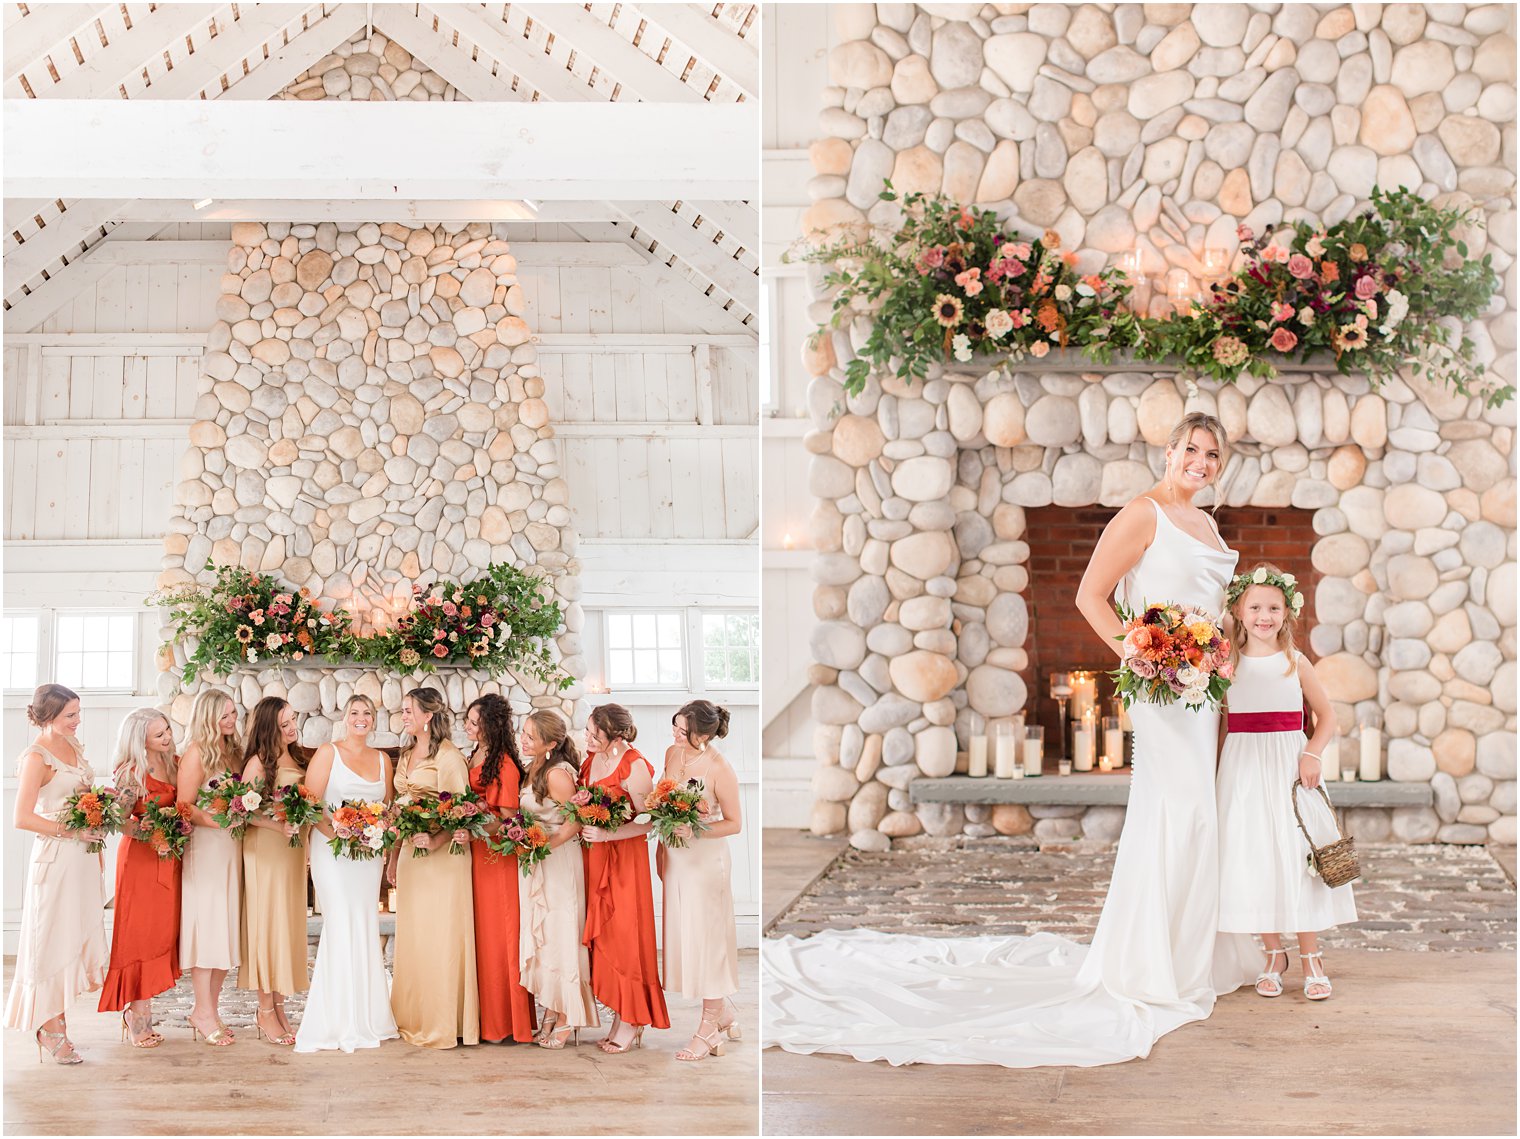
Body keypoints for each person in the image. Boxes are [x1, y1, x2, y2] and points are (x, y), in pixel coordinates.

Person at [762, 412, 1263, 1067]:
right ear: (1169, 451)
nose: (1199, 460)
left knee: (1199, 815)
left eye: (1211, 453)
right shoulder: (1144, 514)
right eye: (1190, 448)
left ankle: (1188, 951)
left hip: (1198, 690)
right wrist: (1134, 651)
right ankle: (1150, 963)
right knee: (1179, 811)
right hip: (1161, 689)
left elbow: (1212, 604)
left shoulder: (1207, 523)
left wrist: (1221, 649)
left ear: (1218, 464)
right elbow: (1091, 594)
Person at [1218, 565, 1357, 1000]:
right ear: (1239, 612)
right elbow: (1220, 725)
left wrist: (1312, 753)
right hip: (1242, 769)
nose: (1265, 615)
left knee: (1299, 858)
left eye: (1273, 607)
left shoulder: (1295, 662)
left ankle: (1311, 957)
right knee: (1253, 857)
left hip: (1288, 767)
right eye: (1255, 607)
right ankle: (1273, 953)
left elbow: (1327, 716)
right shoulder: (1226, 662)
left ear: (1287, 612)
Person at [3, 685, 108, 1064]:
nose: (78, 721)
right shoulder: (36, 757)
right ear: (47, 717)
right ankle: (50, 1027)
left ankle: (59, 1021)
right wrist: (73, 832)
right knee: (51, 941)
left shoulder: (74, 746)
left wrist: (96, 826)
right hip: (54, 860)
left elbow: (81, 798)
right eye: (70, 716)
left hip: (81, 858)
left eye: (79, 713)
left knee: (74, 936)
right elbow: (22, 818)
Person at [295, 695, 399, 1053]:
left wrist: (375, 833)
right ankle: (335, 1019)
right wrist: (340, 833)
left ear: (374, 720)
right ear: (344, 718)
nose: (361, 718)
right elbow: (310, 805)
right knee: (340, 924)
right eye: (354, 712)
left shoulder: (384, 760)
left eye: (367, 713)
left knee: (364, 924)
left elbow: (387, 809)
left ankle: (369, 1015)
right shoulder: (328, 753)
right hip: (333, 853)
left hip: (368, 856)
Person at [389, 687, 480, 1048]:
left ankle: (443, 1021)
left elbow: (461, 814)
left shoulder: (449, 758)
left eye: (409, 710)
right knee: (414, 936)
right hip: (412, 857)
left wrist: (436, 839)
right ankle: (413, 1015)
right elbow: (399, 806)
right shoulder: (407, 753)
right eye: (403, 710)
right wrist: (394, 855)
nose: (404, 715)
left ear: (428, 716)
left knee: (440, 937)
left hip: (443, 861)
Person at [581, 703, 670, 1053]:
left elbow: (648, 821)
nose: (587, 736)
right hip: (596, 857)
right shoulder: (591, 760)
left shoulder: (633, 765)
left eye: (592, 732)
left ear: (612, 735)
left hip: (624, 860)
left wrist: (607, 836)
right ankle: (621, 1014)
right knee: (606, 939)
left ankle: (631, 1019)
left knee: (625, 937)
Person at [660, 700, 742, 1061]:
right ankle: (722, 1012)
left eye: (683, 731)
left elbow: (735, 823)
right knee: (687, 939)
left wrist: (696, 826)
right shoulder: (671, 753)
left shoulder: (719, 767)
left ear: (704, 735)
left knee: (708, 942)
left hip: (706, 863)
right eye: (675, 727)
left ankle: (709, 1029)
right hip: (677, 859)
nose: (675, 735)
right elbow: (663, 800)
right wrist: (662, 850)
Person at [98, 709, 182, 1048]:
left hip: (168, 859)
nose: (167, 737)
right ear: (139, 739)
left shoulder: (172, 761)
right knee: (140, 935)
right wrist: (152, 834)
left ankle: (143, 1007)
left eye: (167, 730)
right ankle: (137, 1013)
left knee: (161, 933)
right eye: (159, 734)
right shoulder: (131, 772)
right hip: (140, 862)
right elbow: (119, 821)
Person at [515, 710, 598, 1048]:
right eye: (523, 732)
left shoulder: (558, 775)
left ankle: (567, 1017)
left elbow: (576, 821)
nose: (523, 739)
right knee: (546, 934)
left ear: (550, 744)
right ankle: (550, 1009)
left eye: (530, 736)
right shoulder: (532, 768)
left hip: (559, 859)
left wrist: (546, 845)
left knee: (563, 934)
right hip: (538, 860)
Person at [464, 694, 536, 1043]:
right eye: (467, 721)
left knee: (500, 937)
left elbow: (509, 820)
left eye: (474, 722)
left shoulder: (504, 762)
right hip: (475, 855)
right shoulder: (474, 755)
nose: (467, 727)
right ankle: (483, 1017)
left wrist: (477, 819)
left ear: (490, 725)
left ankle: (506, 1021)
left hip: (497, 857)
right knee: (480, 936)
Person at [238, 696, 309, 1045]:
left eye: (294, 719)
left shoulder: (294, 755)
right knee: (267, 925)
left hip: (291, 852)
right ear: (270, 728)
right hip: (266, 851)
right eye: (285, 723)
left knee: (285, 925)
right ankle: (265, 1010)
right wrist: (277, 826)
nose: (292, 726)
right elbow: (244, 812)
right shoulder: (257, 763)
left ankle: (278, 1004)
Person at [177, 687, 243, 1046]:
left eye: (233, 714)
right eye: (224, 715)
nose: (231, 721)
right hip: (206, 850)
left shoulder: (232, 753)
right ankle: (201, 1009)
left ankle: (210, 1010)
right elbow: (183, 806)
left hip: (232, 849)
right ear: (207, 717)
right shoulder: (197, 754)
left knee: (224, 932)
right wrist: (218, 822)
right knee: (208, 931)